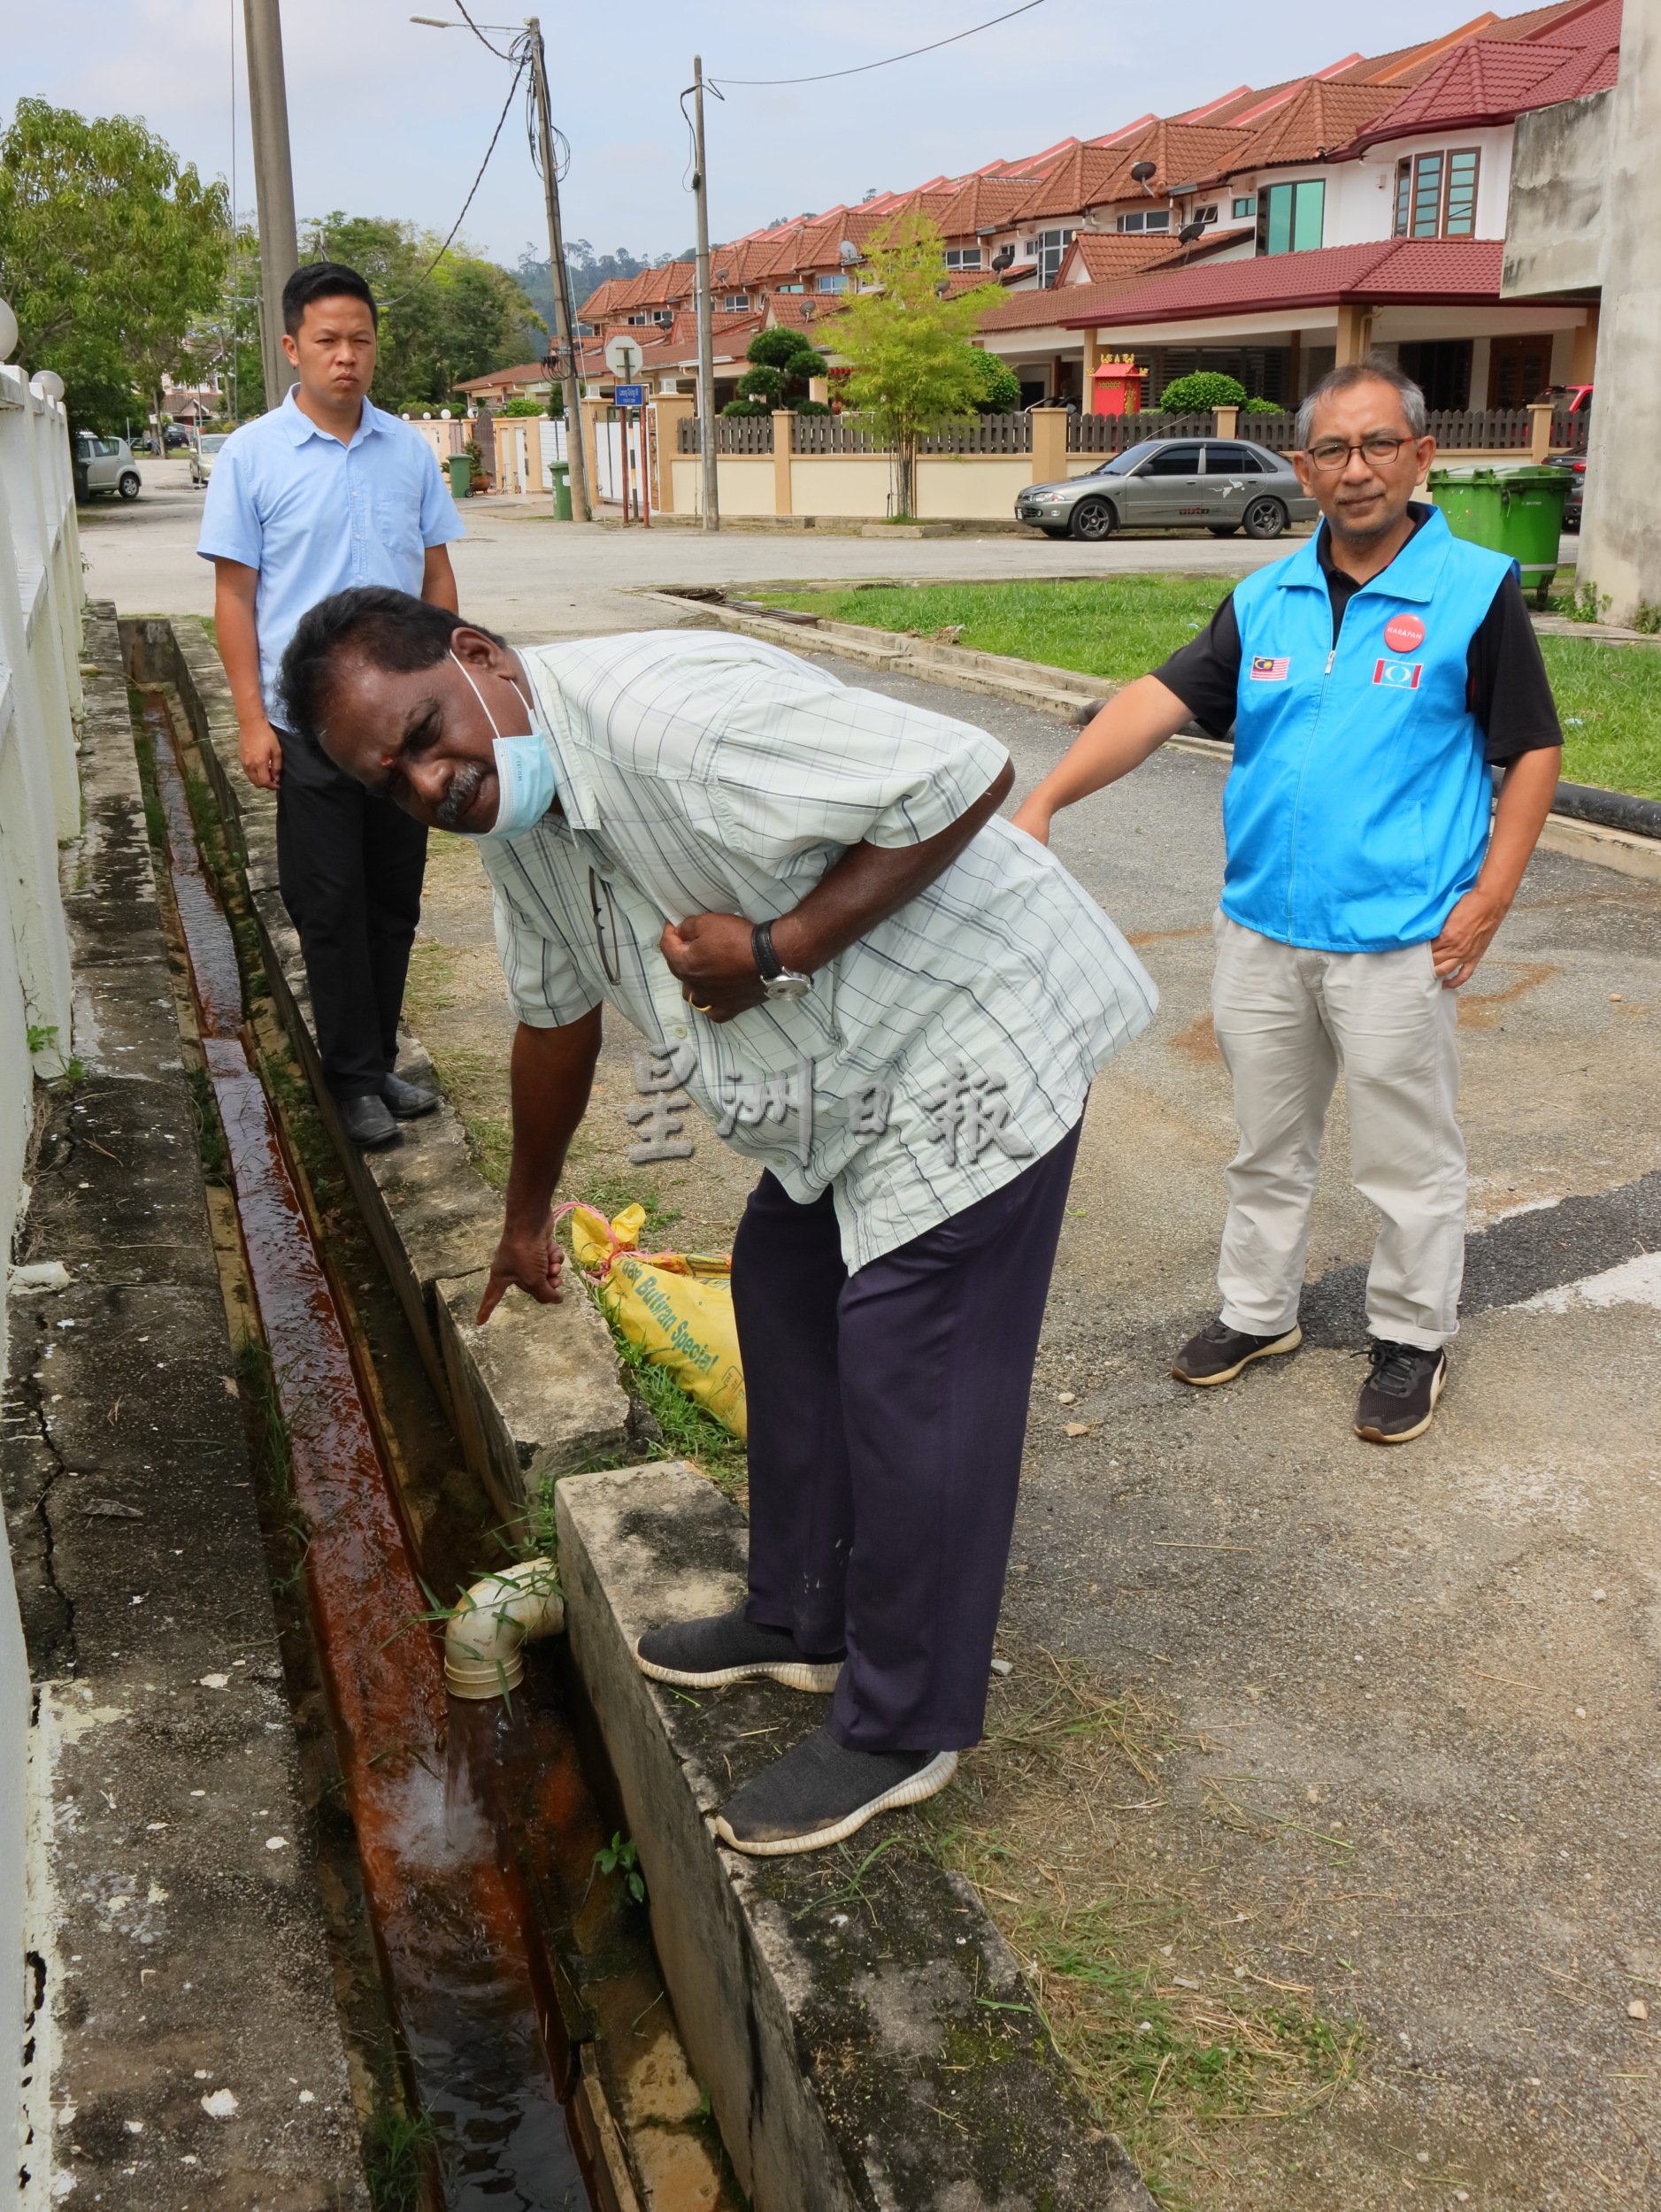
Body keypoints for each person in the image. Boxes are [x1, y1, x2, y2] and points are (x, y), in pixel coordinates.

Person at [277, 598, 1157, 1855]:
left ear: (476, 660)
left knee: (916, 1361)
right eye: (394, 780)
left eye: (426, 734)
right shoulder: (520, 822)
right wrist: (525, 1217)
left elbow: (966, 775)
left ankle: (903, 1725)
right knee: (783, 1282)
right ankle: (805, 1617)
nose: (430, 782)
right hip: (847, 1076)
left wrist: (779, 946)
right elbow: (552, 1016)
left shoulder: (671, 721)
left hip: (979, 1026)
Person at [1015, 359, 1563, 1445]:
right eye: (1330, 451)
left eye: (1376, 447)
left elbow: (1531, 749)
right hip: (1261, 928)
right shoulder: (1264, 596)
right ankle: (1257, 1313)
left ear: (1419, 455)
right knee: (1265, 1144)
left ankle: (1410, 1336)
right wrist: (1042, 804)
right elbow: (1154, 702)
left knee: (1405, 1157)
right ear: (1302, 466)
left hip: (1397, 938)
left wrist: (1490, 897)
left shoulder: (1474, 590)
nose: (1354, 471)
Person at [197, 261, 465, 1148]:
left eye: (360, 341)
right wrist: (247, 717)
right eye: (327, 341)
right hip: (307, 727)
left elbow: (434, 574)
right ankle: (348, 1080)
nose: (346, 357)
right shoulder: (252, 456)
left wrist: (449, 692)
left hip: (403, 726)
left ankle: (376, 1057)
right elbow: (235, 599)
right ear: (291, 347)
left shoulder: (406, 452)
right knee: (328, 903)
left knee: (394, 899)